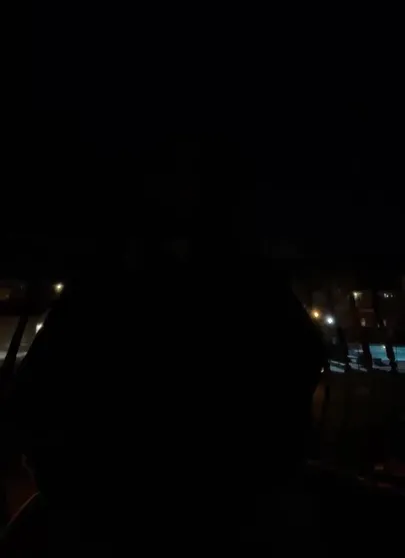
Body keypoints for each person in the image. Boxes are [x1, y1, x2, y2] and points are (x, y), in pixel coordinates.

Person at [0, 137, 324, 550]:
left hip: (120, 506)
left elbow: (36, 396)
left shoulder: (112, 283)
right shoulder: (245, 284)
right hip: (210, 503)